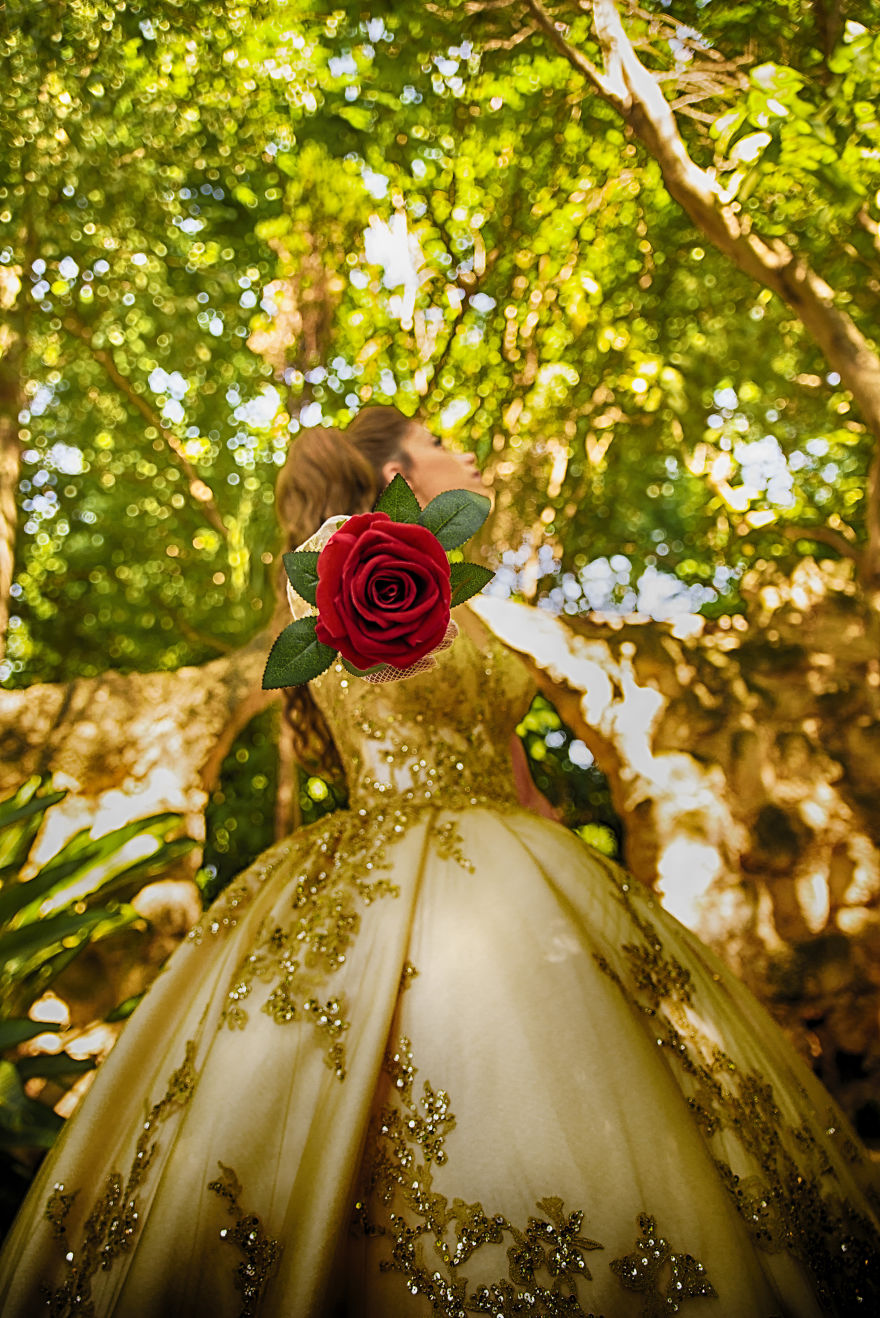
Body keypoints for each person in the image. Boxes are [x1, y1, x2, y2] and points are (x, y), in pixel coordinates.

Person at [1, 405, 878, 1317]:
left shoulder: (471, 602)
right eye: (438, 442)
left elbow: (520, 782)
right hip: (389, 858)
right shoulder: (340, 570)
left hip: (524, 861)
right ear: (397, 477)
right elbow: (364, 696)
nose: (463, 451)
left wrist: (583, 886)